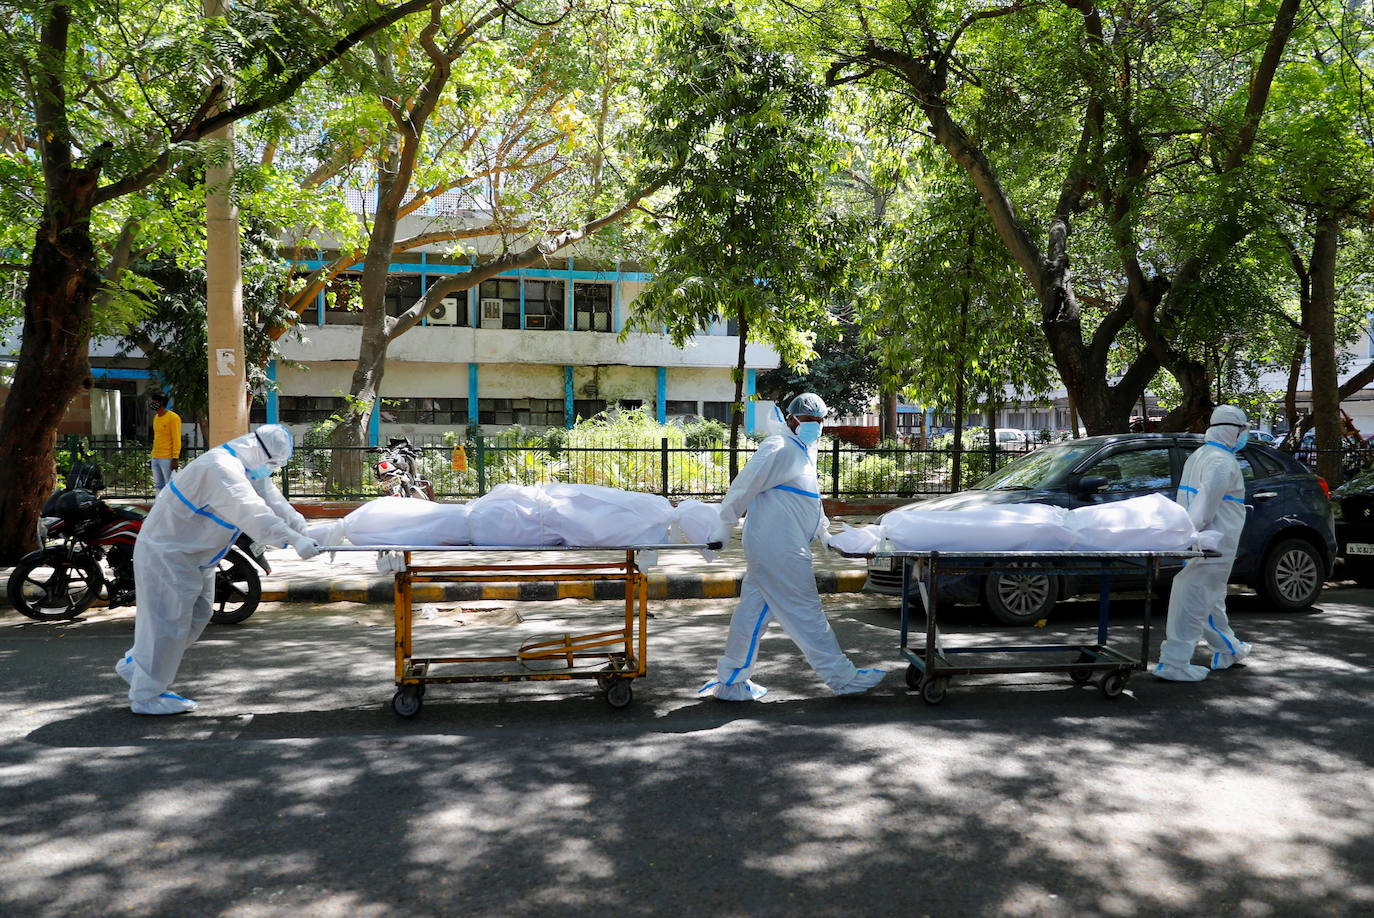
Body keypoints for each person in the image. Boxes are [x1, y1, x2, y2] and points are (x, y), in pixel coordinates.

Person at [116, 424, 323, 714]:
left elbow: (273, 500)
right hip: (169, 555)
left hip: (196, 556)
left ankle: (137, 664)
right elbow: (253, 512)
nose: (272, 470)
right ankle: (146, 696)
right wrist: (293, 539)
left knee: (198, 616)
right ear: (260, 452)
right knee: (168, 625)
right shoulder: (221, 468)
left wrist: (304, 528)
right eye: (274, 464)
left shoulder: (247, 467)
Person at [700, 393, 887, 700]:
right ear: (791, 419)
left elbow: (807, 502)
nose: (814, 426)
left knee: (752, 614)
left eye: (818, 421)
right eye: (808, 421)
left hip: (777, 547)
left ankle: (732, 680)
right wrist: (725, 523)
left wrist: (826, 536)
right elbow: (744, 486)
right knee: (806, 612)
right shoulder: (780, 447)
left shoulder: (803, 451)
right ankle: (843, 678)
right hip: (780, 549)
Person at [1153, 405, 1253, 682]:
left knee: (1210, 599)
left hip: (1203, 540)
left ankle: (1228, 649)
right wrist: (1190, 535)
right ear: (1232, 431)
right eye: (1242, 429)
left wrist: (1185, 535)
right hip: (1213, 542)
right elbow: (1205, 505)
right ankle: (1174, 662)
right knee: (1195, 599)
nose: (1244, 435)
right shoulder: (1222, 461)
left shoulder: (1201, 455)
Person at [148, 392, 182, 493]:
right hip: (156, 456)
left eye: (154, 401)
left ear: (161, 402)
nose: (152, 403)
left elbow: (176, 438)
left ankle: (171, 507)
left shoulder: (173, 418)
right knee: (158, 485)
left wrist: (175, 458)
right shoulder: (156, 418)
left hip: (167, 457)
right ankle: (160, 507)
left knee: (170, 485)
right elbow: (157, 438)